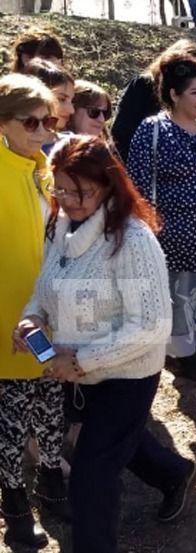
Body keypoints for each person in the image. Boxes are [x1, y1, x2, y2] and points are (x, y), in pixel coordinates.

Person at [14, 136, 196, 553]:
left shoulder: (132, 240)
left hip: (125, 374)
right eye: (60, 188)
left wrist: (81, 359)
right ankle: (173, 474)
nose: (69, 199)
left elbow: (152, 325)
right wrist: (34, 317)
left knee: (90, 474)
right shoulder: (59, 226)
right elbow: (47, 286)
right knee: (117, 440)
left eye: (81, 191)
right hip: (74, 369)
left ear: (107, 185)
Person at [126, 54, 196, 382]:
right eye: (194, 93)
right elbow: (137, 182)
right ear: (174, 95)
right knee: (179, 294)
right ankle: (182, 355)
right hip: (175, 231)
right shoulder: (153, 130)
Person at [0, 73, 63, 550]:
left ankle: (53, 491)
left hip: (47, 316)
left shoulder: (43, 169)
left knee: (49, 406)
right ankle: (16, 513)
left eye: (49, 121)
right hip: (6, 321)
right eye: (32, 122)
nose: (44, 131)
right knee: (10, 422)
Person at [111, 39, 196, 162]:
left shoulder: (193, 95)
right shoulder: (143, 85)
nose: (193, 74)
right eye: (188, 67)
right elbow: (121, 131)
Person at [21, 58, 75, 154]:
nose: (71, 110)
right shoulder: (7, 146)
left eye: (72, 101)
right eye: (61, 99)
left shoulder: (74, 146)